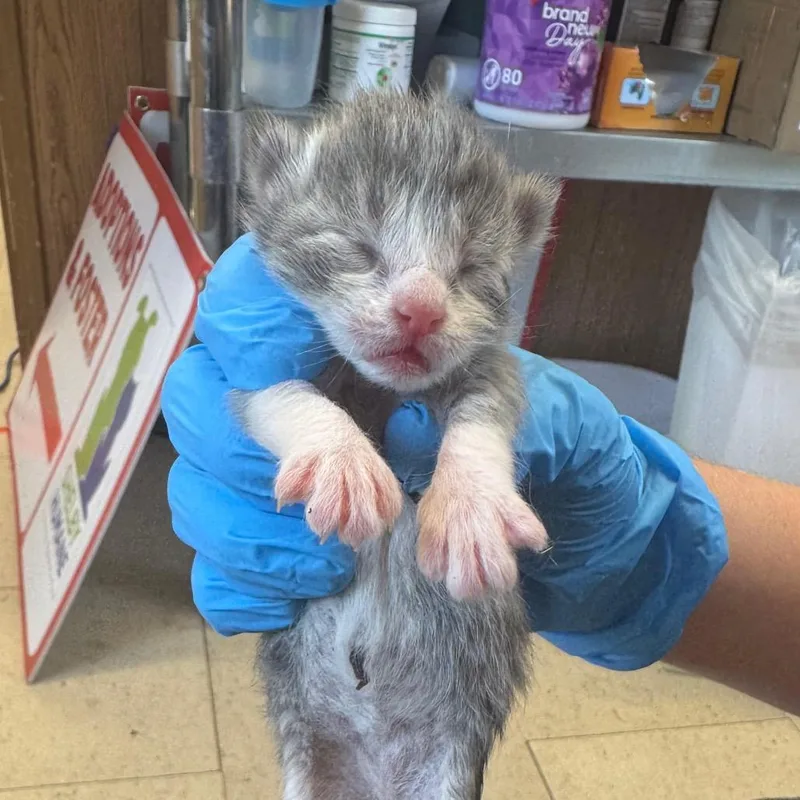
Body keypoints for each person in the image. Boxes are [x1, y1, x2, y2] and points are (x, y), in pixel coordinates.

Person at [162, 235, 800, 715]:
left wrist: (632, 538)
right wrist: (292, 414)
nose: (421, 304)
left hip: (443, 670)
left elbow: (486, 391)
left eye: (465, 270)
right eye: (362, 249)